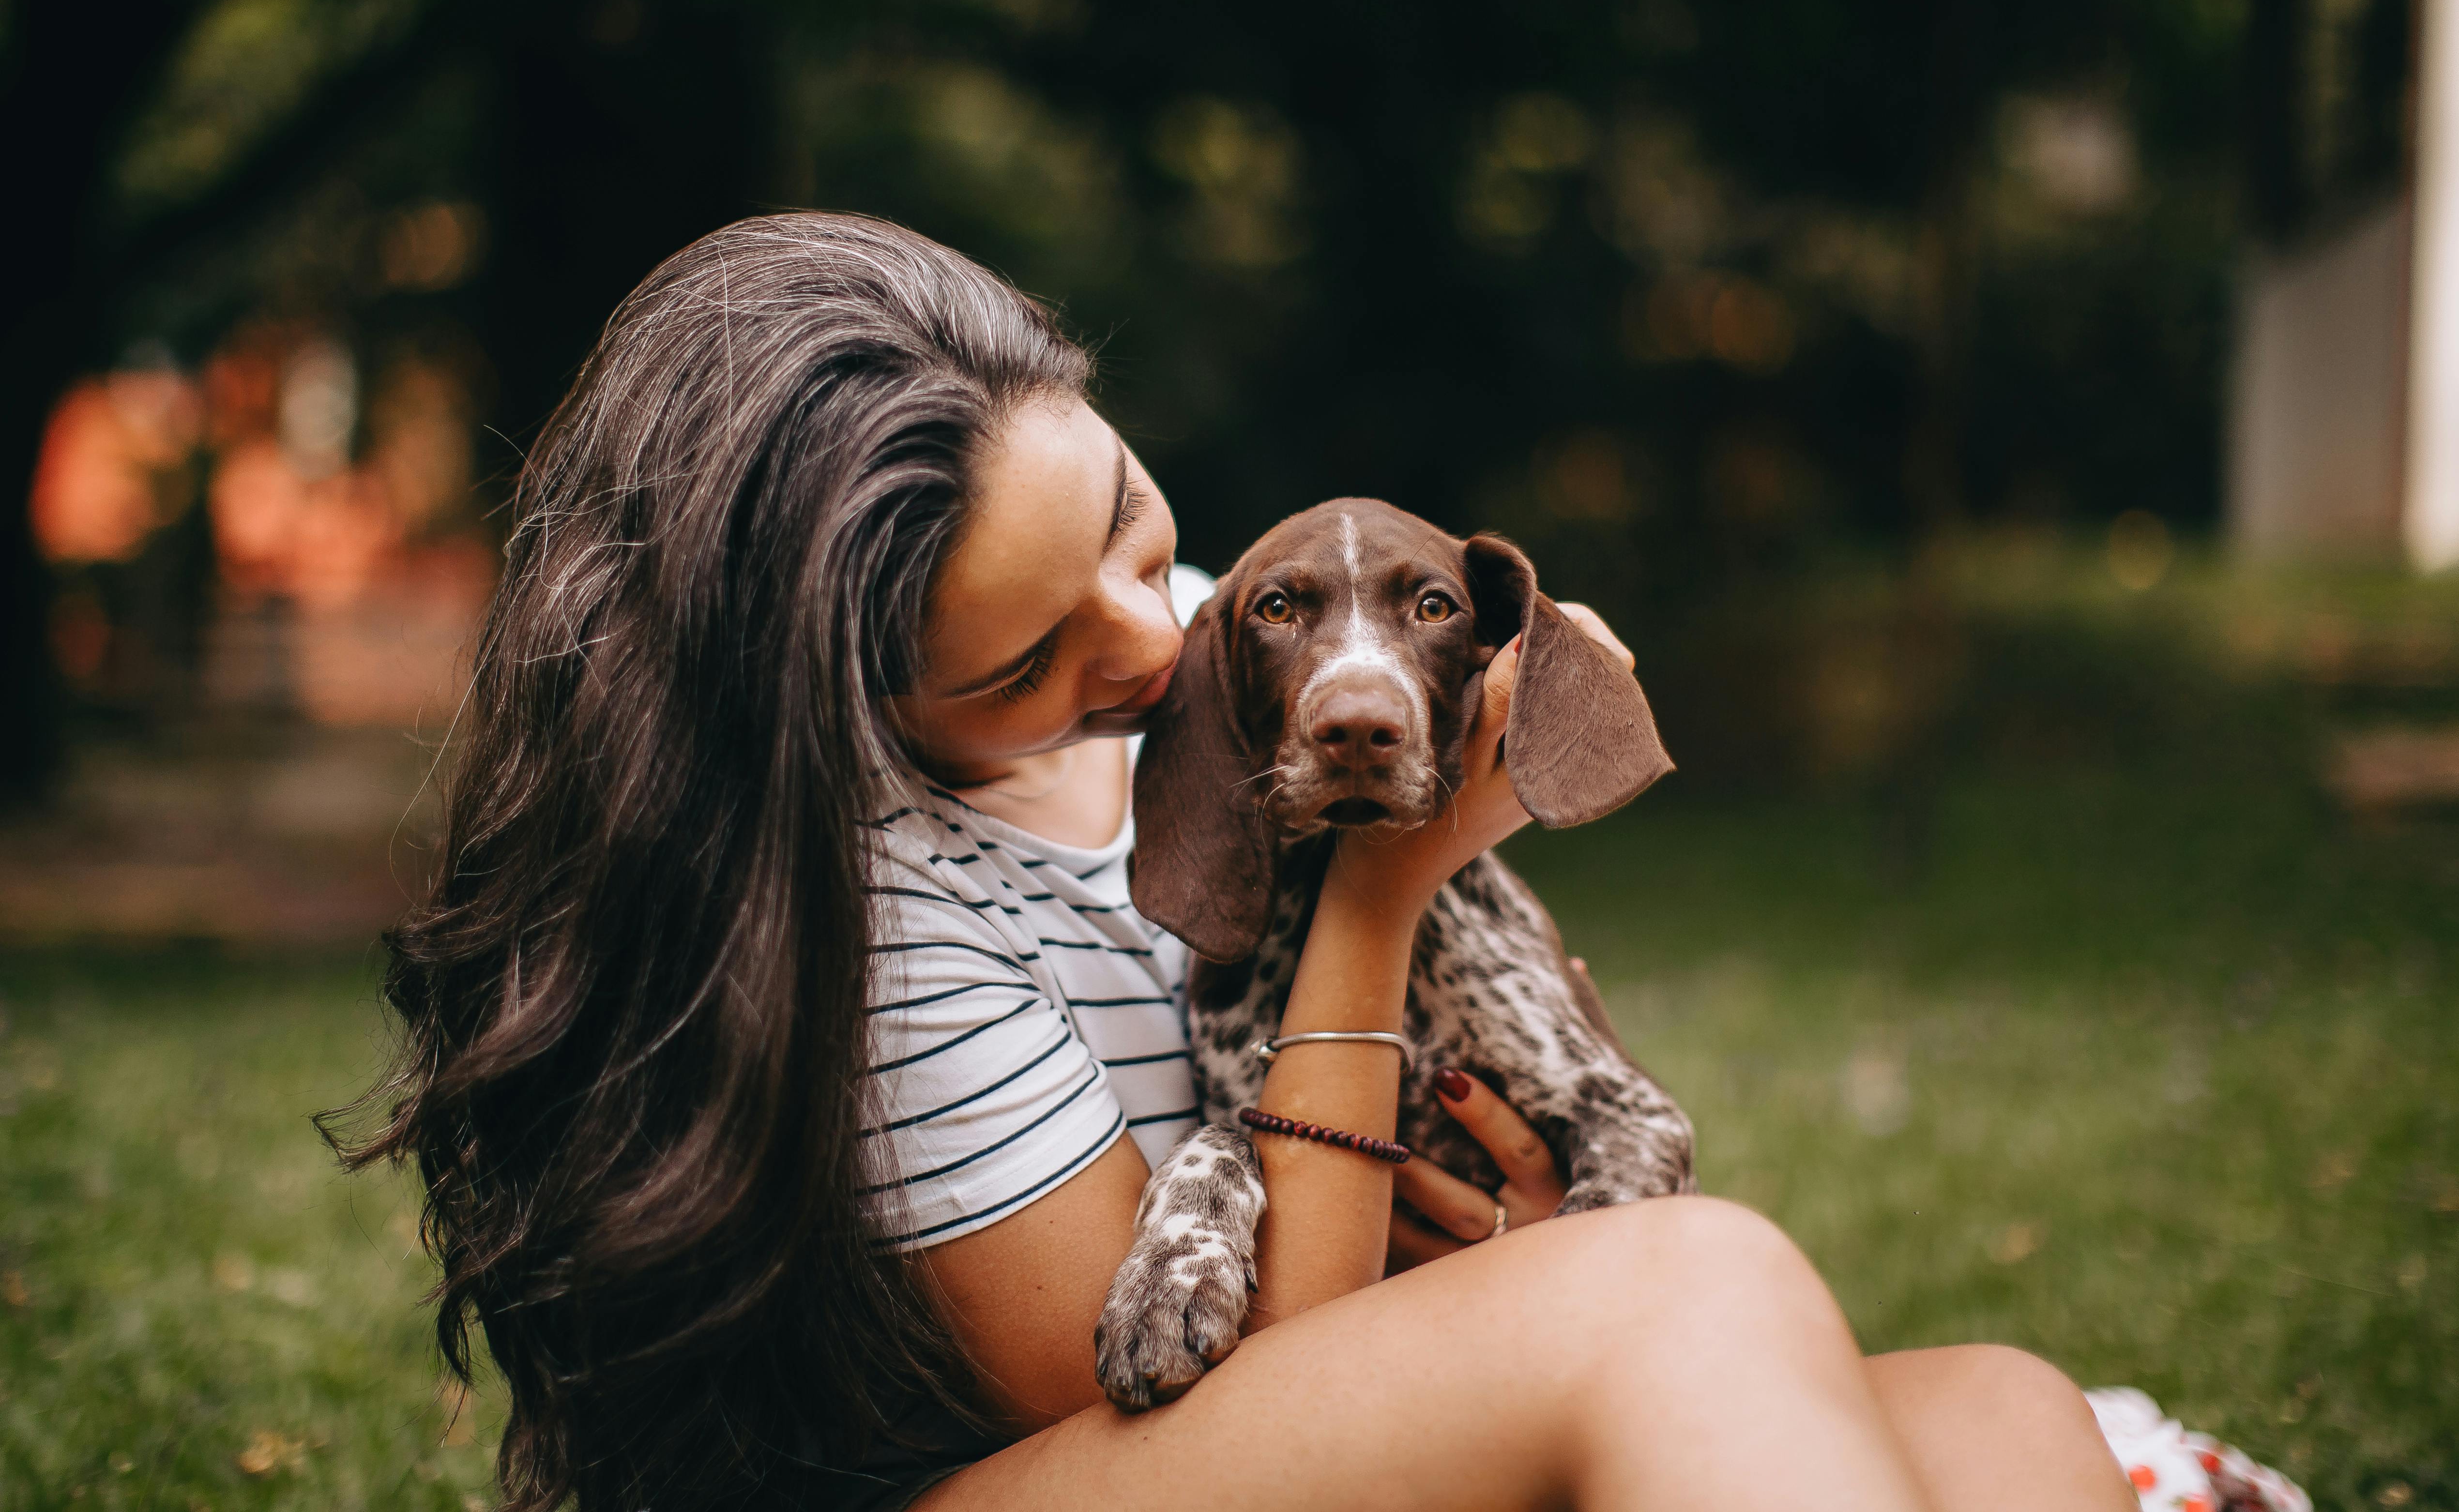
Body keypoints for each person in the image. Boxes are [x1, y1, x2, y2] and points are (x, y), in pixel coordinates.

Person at [329, 212, 2135, 1512]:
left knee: (2008, 1421)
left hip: (1301, 1399)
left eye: (1131, 530)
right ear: (840, 700)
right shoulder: (871, 919)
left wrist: (1519, 1244)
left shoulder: (1228, 647)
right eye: (1026, 663)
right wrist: (1380, 886)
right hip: (1077, 1467)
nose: (1152, 641)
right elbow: (1234, 1380)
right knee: (1691, 1287)